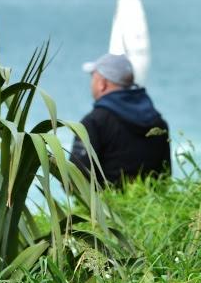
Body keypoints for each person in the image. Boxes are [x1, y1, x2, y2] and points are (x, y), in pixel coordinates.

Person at [70, 53, 170, 187]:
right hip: (152, 204)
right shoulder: (158, 122)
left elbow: (75, 180)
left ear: (102, 84)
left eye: (92, 77)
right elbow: (165, 176)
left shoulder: (93, 122)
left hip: (107, 206)